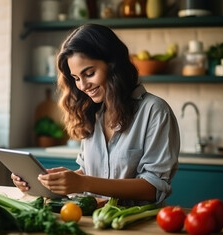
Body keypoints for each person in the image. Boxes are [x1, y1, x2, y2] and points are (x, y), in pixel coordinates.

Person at [12, 24, 180, 206]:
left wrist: (81, 182)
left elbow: (154, 187)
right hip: (95, 221)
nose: (83, 86)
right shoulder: (92, 112)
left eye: (89, 73)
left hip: (135, 225)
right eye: (76, 78)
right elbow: (91, 173)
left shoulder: (154, 111)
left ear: (113, 65)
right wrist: (50, 181)